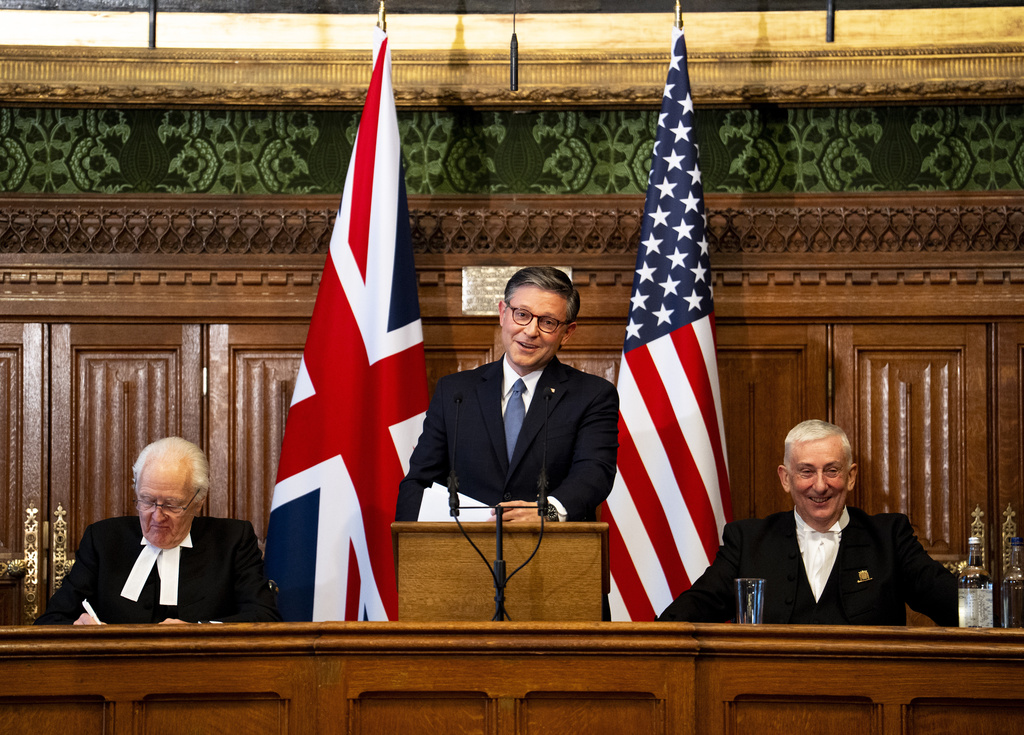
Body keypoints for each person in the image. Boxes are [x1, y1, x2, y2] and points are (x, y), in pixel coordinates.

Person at [658, 419, 957, 625]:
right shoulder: (748, 542)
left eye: (831, 470)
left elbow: (954, 605)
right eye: (806, 472)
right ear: (785, 479)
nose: (820, 485)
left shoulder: (890, 538)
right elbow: (693, 608)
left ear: (851, 477)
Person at [396, 266, 619, 523]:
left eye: (547, 322)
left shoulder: (593, 395)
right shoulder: (454, 392)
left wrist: (547, 512)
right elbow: (419, 483)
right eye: (522, 314)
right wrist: (413, 554)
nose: (531, 331)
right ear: (503, 313)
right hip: (464, 551)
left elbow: (594, 472)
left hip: (551, 549)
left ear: (567, 333)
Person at [35, 437, 281, 625]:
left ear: (198, 501)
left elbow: (264, 617)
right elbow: (51, 621)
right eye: (147, 501)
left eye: (171, 505)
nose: (157, 515)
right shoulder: (103, 540)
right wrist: (76, 627)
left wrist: (199, 631)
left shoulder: (232, 540)